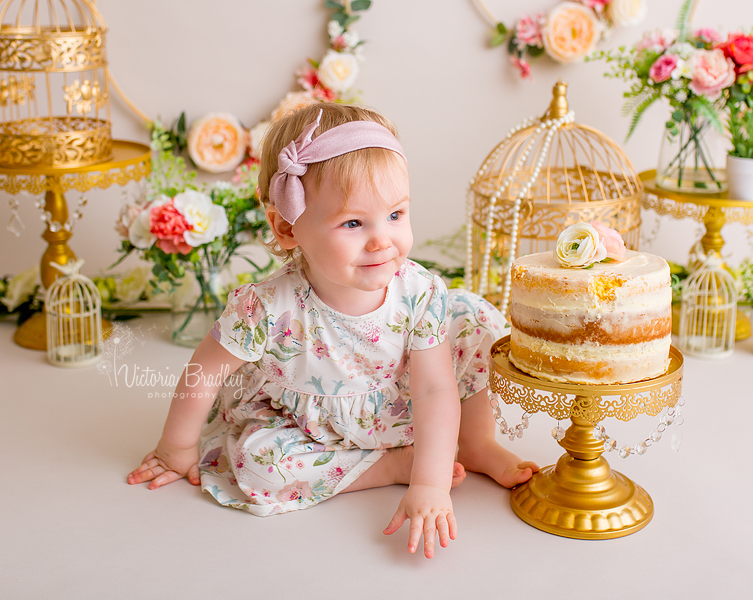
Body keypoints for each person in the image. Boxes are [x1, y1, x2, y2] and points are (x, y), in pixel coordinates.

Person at [128, 102, 537, 559]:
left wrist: (432, 483)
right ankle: (385, 466)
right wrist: (175, 447)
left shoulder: (419, 292)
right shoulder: (266, 307)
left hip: (410, 403)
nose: (382, 239)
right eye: (353, 223)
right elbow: (204, 372)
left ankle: (476, 442)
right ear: (287, 228)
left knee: (474, 320)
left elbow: (436, 390)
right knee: (259, 468)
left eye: (396, 215)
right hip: (310, 428)